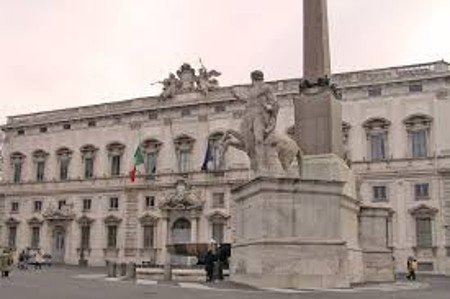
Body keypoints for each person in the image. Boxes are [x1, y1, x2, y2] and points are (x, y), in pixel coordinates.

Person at [231, 70, 279, 174]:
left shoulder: (266, 88)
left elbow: (274, 102)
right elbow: (246, 100)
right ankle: (256, 165)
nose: (257, 81)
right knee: (249, 143)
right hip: (249, 118)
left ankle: (262, 165)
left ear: (252, 79)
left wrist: (269, 107)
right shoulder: (251, 91)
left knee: (258, 139)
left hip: (259, 116)